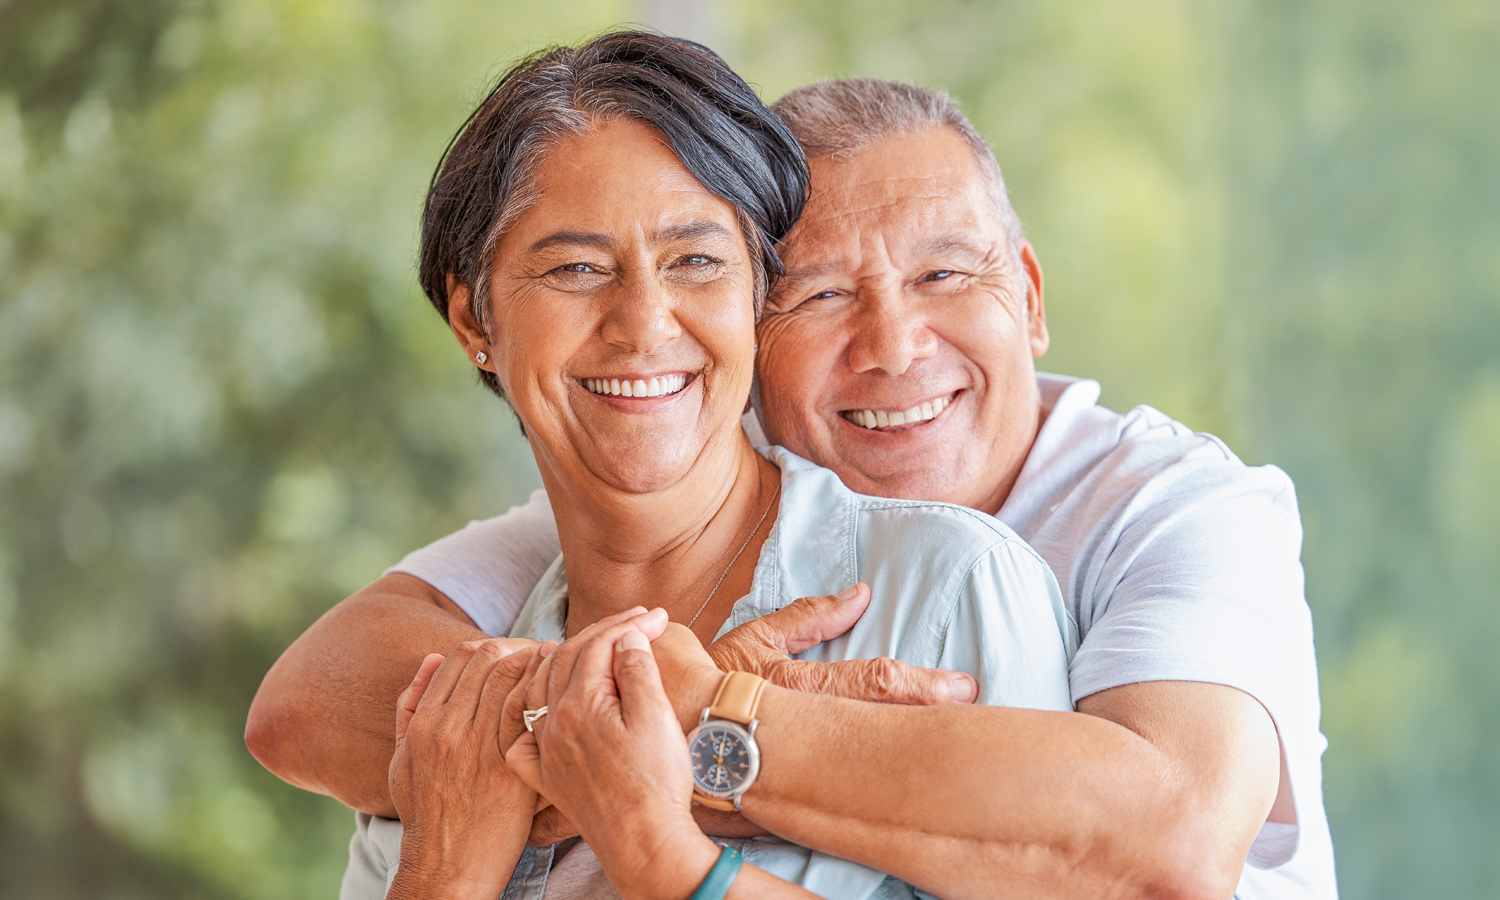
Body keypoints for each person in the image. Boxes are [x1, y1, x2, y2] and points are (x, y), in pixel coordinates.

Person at [249, 70, 1335, 900]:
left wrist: (694, 726)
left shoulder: (1163, 507)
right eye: (817, 297)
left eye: (946, 274)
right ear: (757, 338)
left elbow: (1172, 843)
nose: (896, 345)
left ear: (1033, 295)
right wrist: (571, 723)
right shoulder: (621, 516)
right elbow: (305, 706)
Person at [330, 31, 1077, 900]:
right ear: (474, 322)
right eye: (576, 267)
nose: (644, 324)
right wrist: (445, 873)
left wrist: (669, 824)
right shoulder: (456, 708)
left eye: (695, 261)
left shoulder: (950, 594)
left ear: (755, 296)